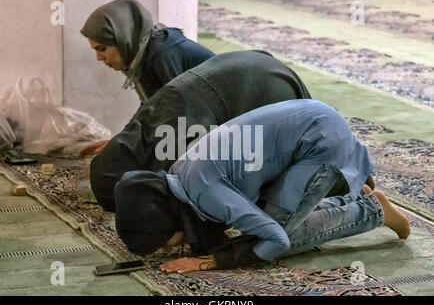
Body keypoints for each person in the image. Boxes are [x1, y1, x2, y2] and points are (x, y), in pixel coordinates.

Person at [114, 99, 411, 272]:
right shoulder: (179, 172)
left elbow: (276, 238)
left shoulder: (206, 192)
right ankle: (351, 197)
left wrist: (212, 260)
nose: (168, 249)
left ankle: (373, 212)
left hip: (320, 143)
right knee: (257, 224)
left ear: (166, 219)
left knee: (277, 236)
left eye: (164, 242)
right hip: (310, 120)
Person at [87, 50, 312, 212]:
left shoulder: (174, 141)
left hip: (265, 89)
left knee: (275, 202)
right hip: (256, 64)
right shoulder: (149, 124)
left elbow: (201, 188)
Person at [79, 0, 215, 158]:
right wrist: (119, 140)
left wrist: (125, 143)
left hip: (229, 124)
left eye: (102, 49)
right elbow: (150, 108)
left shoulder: (161, 55)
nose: (99, 58)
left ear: (124, 37)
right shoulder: (144, 54)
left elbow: (175, 116)